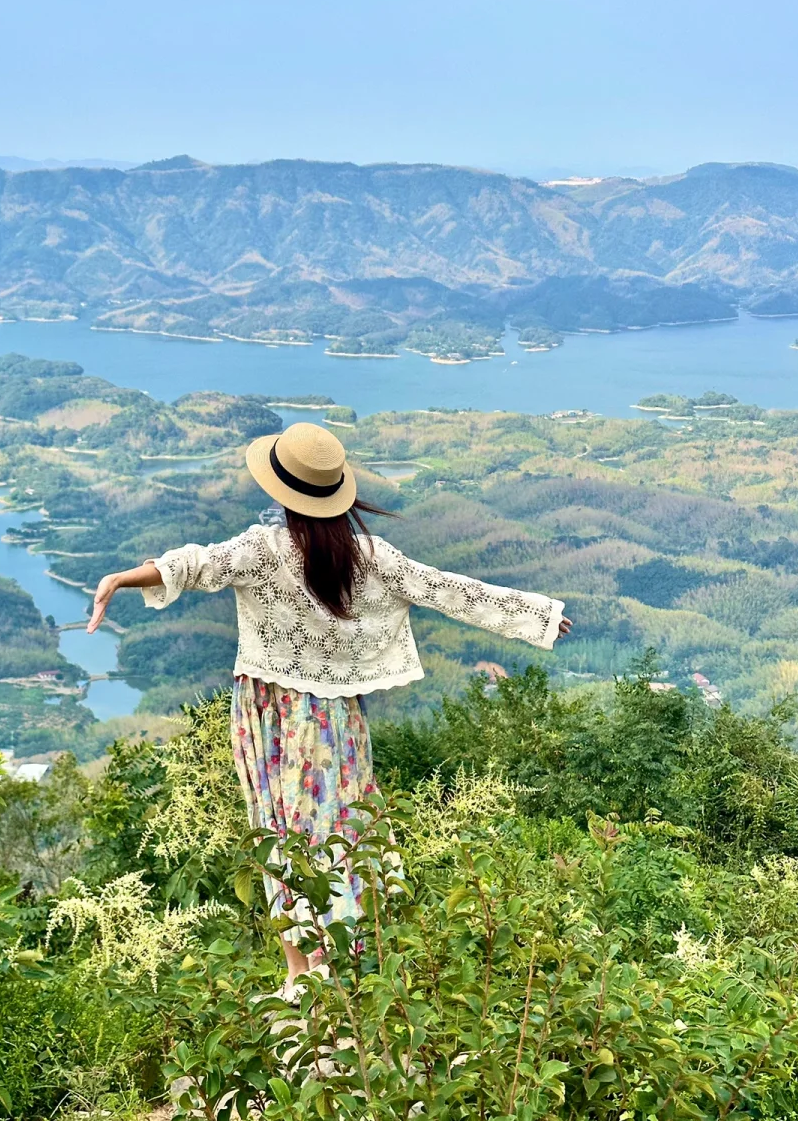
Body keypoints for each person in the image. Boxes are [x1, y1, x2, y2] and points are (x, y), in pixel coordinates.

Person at [87, 421, 571, 989]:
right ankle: (326, 968)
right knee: (335, 835)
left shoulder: (260, 550)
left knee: (279, 834)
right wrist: (536, 616)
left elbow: (191, 565)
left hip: (265, 715)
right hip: (334, 722)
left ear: (282, 491)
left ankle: (305, 975)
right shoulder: (366, 555)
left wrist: (120, 578)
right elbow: (445, 588)